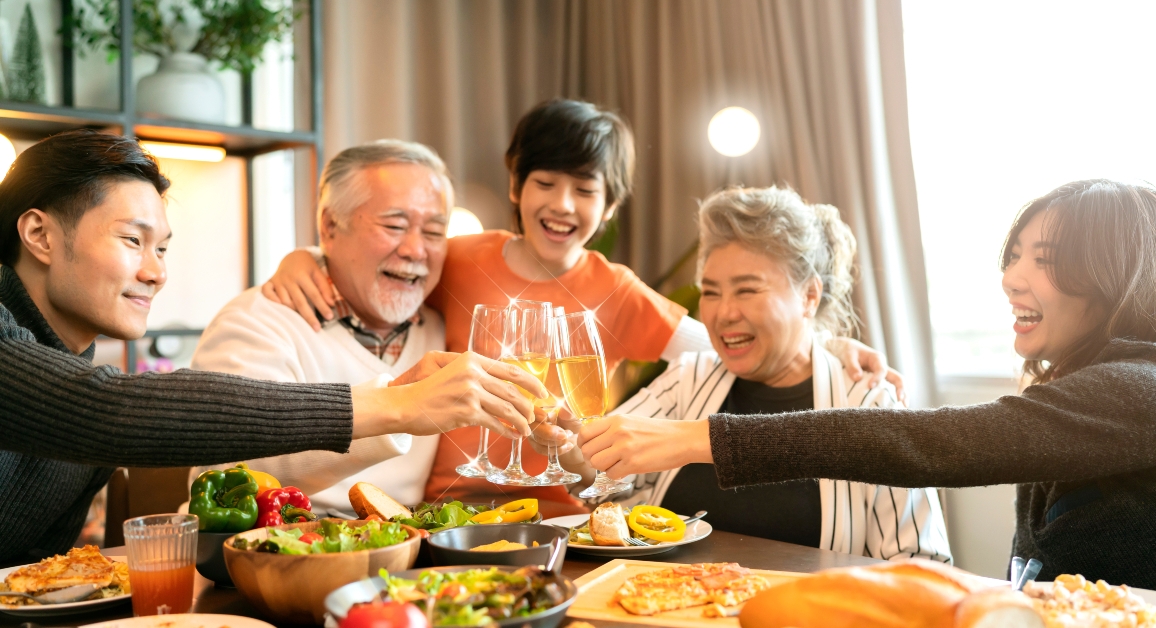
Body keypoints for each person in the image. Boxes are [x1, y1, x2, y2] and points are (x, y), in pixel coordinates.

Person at [264, 100, 901, 516]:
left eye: (585, 189)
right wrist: (305, 258)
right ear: (516, 186)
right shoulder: (460, 258)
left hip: (561, 513)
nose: (562, 205)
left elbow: (722, 344)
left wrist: (825, 343)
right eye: (545, 182)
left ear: (611, 207)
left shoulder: (617, 288)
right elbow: (389, 270)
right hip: (451, 507)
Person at [581, 179, 1156, 597]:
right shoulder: (1081, 387)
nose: (1011, 276)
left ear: (1117, 271)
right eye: (1014, 255)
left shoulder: (1153, 391)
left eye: (1046, 258)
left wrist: (698, 440)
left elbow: (940, 443)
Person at [0, 130, 542, 567]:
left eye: (162, 247)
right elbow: (108, 409)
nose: (156, 272)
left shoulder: (70, 355)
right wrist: (398, 405)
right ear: (40, 236)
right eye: (132, 240)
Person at [575, 186, 949, 561]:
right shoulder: (688, 378)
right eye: (710, 292)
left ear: (809, 297)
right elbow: (601, 476)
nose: (724, 313)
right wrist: (563, 442)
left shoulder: (868, 401)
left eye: (747, 290)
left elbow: (922, 562)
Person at [190, 140, 457, 515]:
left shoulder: (447, 324)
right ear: (330, 225)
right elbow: (229, 474)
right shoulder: (257, 322)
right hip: (271, 553)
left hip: (406, 555)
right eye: (395, 225)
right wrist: (396, 407)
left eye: (433, 232)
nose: (416, 249)